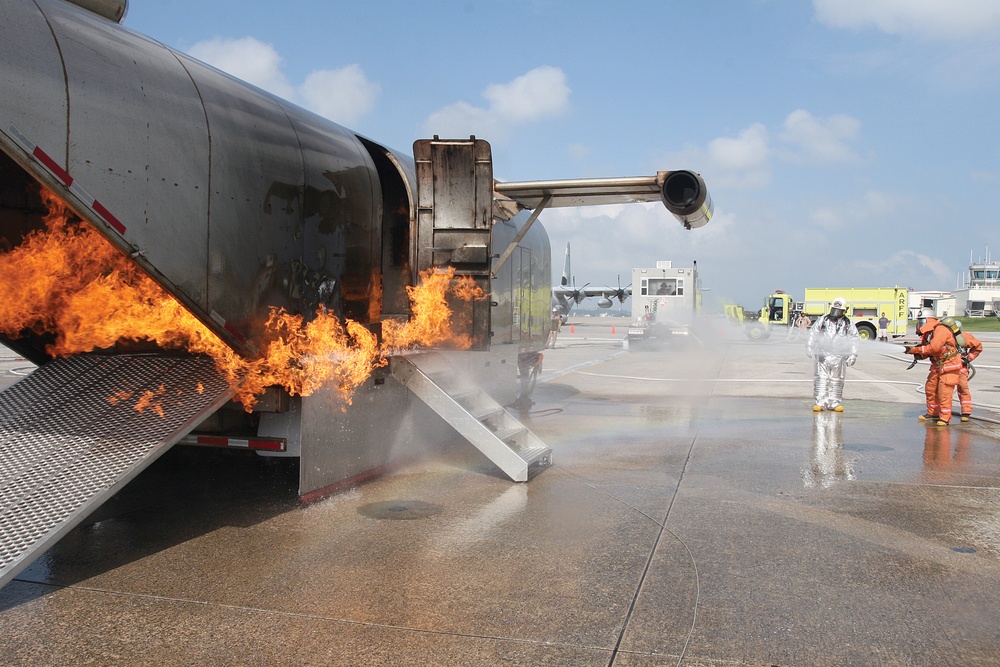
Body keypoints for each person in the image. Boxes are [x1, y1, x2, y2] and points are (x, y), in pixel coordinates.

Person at [904, 309, 963, 426]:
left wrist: (915, 350)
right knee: (930, 389)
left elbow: (934, 348)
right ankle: (933, 413)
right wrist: (915, 352)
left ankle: (945, 418)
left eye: (921, 321)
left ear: (928, 320)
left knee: (944, 392)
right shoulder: (929, 333)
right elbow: (928, 350)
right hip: (938, 364)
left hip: (949, 365)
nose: (919, 324)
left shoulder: (940, 330)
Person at [806, 297, 860, 412]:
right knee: (821, 379)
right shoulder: (823, 320)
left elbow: (854, 338)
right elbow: (813, 332)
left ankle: (834, 402)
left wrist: (853, 354)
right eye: (834, 309)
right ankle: (820, 402)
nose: (835, 312)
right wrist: (809, 346)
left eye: (838, 310)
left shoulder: (848, 323)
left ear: (844, 311)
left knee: (837, 380)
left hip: (839, 357)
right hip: (823, 356)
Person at [940, 316, 983, 422]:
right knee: (944, 392)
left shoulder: (964, 337)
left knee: (963, 389)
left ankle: (966, 412)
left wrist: (968, 359)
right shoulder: (943, 337)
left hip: (961, 369)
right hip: (947, 368)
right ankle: (943, 412)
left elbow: (978, 347)